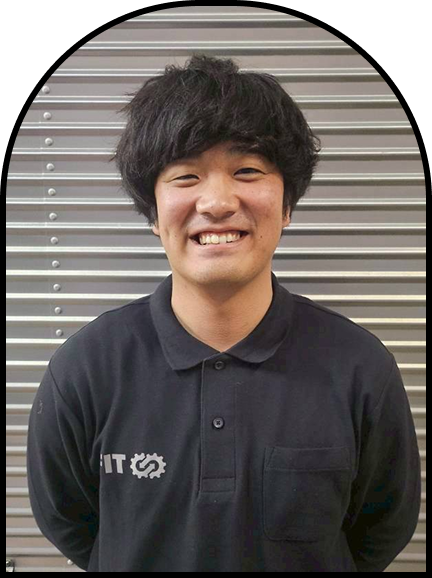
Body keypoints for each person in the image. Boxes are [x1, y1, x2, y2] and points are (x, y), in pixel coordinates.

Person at [27, 55, 421, 572]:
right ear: (153, 213)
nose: (215, 202)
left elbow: (380, 530)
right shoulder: (86, 369)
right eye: (186, 175)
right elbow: (70, 523)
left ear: (286, 205)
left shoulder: (360, 368)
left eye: (247, 171)